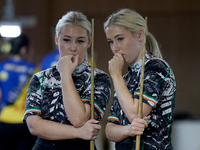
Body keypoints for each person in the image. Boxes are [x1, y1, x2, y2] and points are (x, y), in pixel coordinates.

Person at [23, 11, 111, 150]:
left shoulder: (99, 78)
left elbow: (78, 119)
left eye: (80, 41)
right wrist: (78, 132)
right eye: (66, 40)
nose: (73, 47)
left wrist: (65, 74)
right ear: (57, 39)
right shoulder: (40, 78)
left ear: (89, 42)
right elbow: (34, 126)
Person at [104, 8, 176, 150]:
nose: (115, 48)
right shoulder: (124, 79)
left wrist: (116, 75)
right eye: (110, 42)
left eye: (120, 39)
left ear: (140, 34)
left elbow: (134, 114)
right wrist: (128, 130)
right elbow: (109, 130)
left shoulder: (157, 68)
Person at [0, 34, 38, 150]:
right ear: (24, 49)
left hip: (4, 119)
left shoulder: (1, 66)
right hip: (25, 122)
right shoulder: (33, 69)